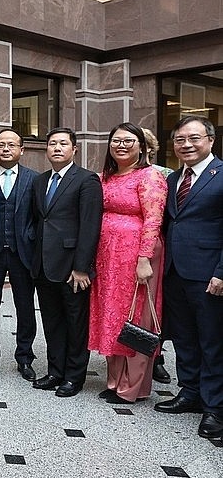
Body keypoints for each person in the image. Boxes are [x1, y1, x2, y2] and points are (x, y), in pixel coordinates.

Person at [89, 122, 167, 405]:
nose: (121, 145)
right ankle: (114, 381)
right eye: (116, 141)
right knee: (112, 314)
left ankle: (132, 387)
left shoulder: (150, 177)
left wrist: (145, 258)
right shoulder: (106, 177)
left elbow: (154, 219)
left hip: (137, 255)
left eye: (128, 141)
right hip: (108, 256)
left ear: (142, 147)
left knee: (136, 316)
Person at [156, 116, 223, 440]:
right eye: (180, 140)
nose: (186, 145)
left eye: (194, 138)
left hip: (209, 275)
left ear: (210, 140)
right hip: (175, 272)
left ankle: (215, 408)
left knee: (213, 342)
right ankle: (190, 392)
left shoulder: (221, 176)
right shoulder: (173, 180)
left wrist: (221, 272)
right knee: (184, 338)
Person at [31, 127, 102, 398]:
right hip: (43, 265)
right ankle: (54, 371)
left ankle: (74, 377)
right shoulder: (40, 181)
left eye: (63, 144)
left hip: (73, 267)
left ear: (74, 149)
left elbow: (90, 225)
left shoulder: (86, 180)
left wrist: (82, 266)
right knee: (52, 322)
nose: (57, 148)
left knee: (75, 323)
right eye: (52, 144)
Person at [0, 129, 39, 381]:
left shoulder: (34, 179)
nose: (6, 149)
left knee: (25, 306)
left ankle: (24, 357)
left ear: (21, 150)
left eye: (11, 145)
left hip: (22, 253)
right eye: (1, 145)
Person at [141, 127, 172, 385]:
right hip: (122, 250)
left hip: (154, 247)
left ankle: (156, 358)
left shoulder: (165, 175)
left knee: (152, 306)